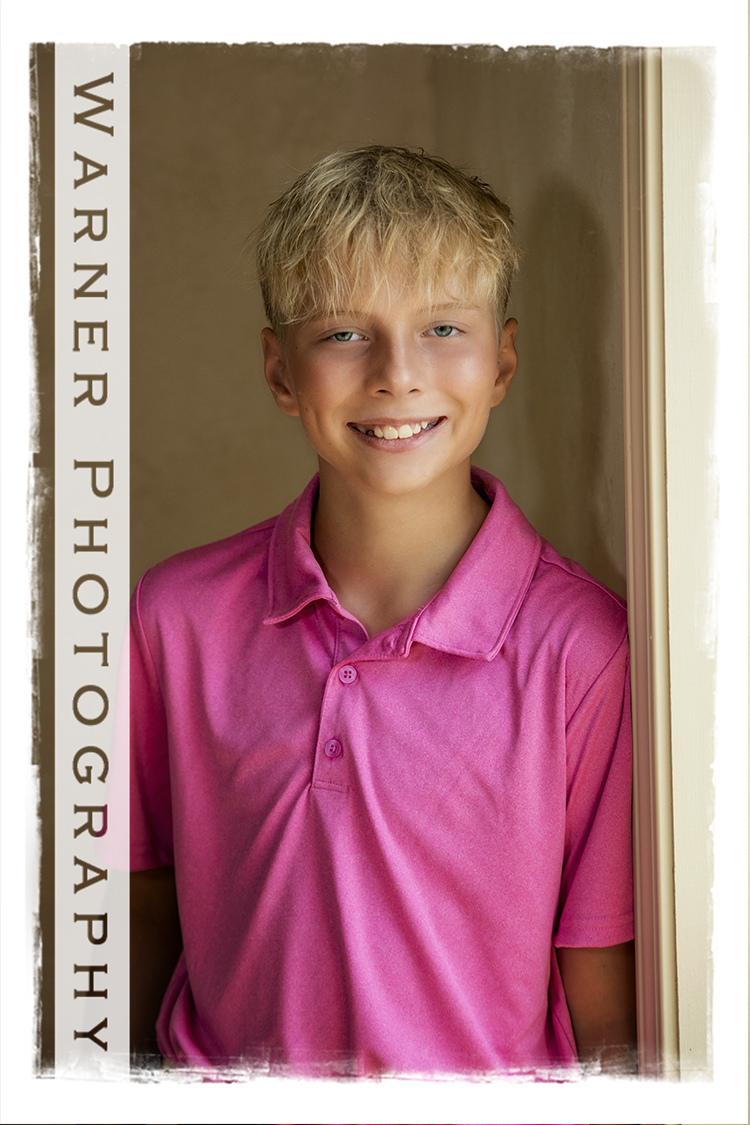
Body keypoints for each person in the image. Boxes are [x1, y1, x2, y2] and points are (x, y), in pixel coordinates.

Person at [130, 145, 636, 1077]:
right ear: (281, 372)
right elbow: (143, 910)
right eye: (343, 335)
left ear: (504, 360)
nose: (398, 374)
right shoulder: (169, 621)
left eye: (444, 327)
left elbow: (602, 997)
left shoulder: (584, 651)